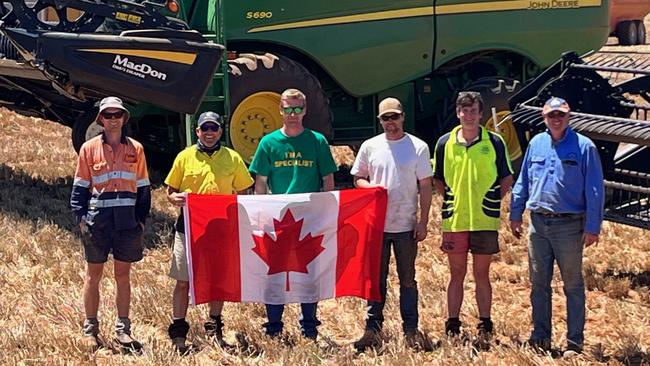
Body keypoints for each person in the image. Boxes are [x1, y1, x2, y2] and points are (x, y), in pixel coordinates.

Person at [510, 97, 604, 357]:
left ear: (568, 116)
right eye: (551, 115)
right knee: (538, 284)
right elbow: (524, 180)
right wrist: (515, 212)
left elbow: (594, 189)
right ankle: (540, 337)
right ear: (544, 117)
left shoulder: (585, 148)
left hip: (569, 226)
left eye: (560, 114)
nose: (556, 119)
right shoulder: (536, 143)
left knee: (572, 285)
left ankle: (574, 343)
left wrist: (593, 226)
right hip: (538, 225)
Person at [249, 88, 338, 340]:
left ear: (305, 110)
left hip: (309, 218)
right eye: (287, 109)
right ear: (280, 110)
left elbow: (327, 178)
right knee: (274, 273)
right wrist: (261, 212)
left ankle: (309, 328)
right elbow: (261, 182)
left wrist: (326, 211)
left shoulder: (317, 141)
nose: (292, 114)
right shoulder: (269, 143)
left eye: (297, 109)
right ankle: (274, 328)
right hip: (277, 218)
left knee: (308, 274)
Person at [164, 111, 254, 353]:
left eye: (214, 128)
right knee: (183, 280)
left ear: (221, 131)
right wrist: (176, 199)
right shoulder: (184, 157)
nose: (209, 133)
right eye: (205, 128)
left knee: (217, 280)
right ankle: (179, 332)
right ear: (197, 132)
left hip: (221, 230)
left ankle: (214, 327)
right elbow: (170, 191)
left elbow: (245, 191)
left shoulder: (233, 158)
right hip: (188, 228)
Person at [350, 97, 434, 351]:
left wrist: (423, 221)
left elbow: (426, 186)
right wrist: (371, 188)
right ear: (380, 121)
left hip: (406, 225)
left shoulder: (418, 147)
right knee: (376, 280)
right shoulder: (370, 146)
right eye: (386, 118)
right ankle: (372, 329)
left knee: (407, 279)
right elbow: (357, 178)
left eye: (394, 117)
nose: (391, 123)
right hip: (377, 226)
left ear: (403, 117)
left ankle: (410, 330)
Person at [432, 91, 513, 344]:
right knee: (456, 274)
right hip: (455, 219)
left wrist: (491, 200)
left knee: (482, 274)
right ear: (458, 113)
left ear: (480, 113)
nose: (468, 116)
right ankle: (453, 322)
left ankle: (485, 322)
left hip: (484, 220)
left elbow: (507, 177)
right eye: (464, 111)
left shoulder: (496, 142)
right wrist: (452, 201)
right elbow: (438, 179)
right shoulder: (445, 143)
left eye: (473, 111)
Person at [70, 96, 151, 351]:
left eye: (118, 115)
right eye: (109, 115)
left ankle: (123, 329)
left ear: (124, 118)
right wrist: (81, 218)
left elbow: (143, 187)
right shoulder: (88, 148)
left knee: (122, 276)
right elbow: (80, 186)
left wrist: (140, 220)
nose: (113, 119)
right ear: (101, 119)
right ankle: (90, 328)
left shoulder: (136, 149)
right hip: (98, 223)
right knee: (93, 276)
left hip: (127, 223)